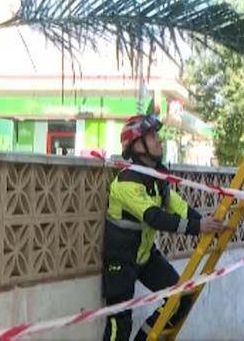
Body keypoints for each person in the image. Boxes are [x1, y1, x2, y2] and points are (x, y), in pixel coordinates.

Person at [102, 113, 226, 341]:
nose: (158, 140)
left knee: (181, 299)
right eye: (151, 136)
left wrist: (211, 226)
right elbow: (154, 217)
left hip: (146, 258)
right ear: (137, 146)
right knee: (119, 325)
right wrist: (198, 227)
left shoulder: (156, 180)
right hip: (121, 262)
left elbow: (179, 207)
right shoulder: (126, 182)